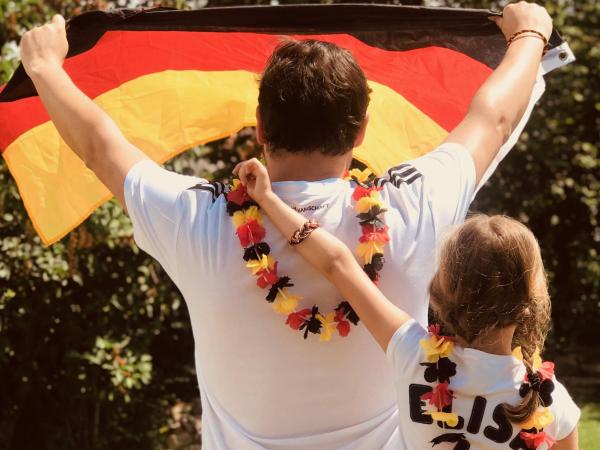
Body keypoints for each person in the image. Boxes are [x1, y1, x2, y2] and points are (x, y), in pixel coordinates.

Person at [20, 2, 554, 448]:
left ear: (259, 129)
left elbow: (98, 145)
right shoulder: (416, 205)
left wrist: (45, 67)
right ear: (363, 130)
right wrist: (529, 33)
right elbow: (493, 118)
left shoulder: (197, 218)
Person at [232, 156, 580, 449]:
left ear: (439, 297)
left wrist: (268, 199)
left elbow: (337, 264)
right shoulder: (550, 402)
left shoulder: (415, 357)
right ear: (531, 301)